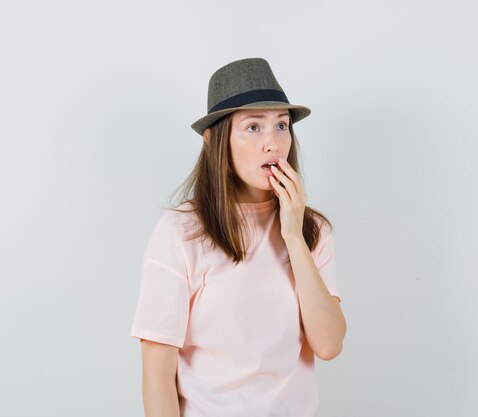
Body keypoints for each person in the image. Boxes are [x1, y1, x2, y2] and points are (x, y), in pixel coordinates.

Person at [129, 57, 347, 417]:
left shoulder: (312, 230)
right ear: (217, 141)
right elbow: (157, 375)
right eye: (253, 127)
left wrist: (293, 236)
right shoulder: (179, 232)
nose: (273, 143)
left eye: (281, 125)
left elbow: (328, 345)